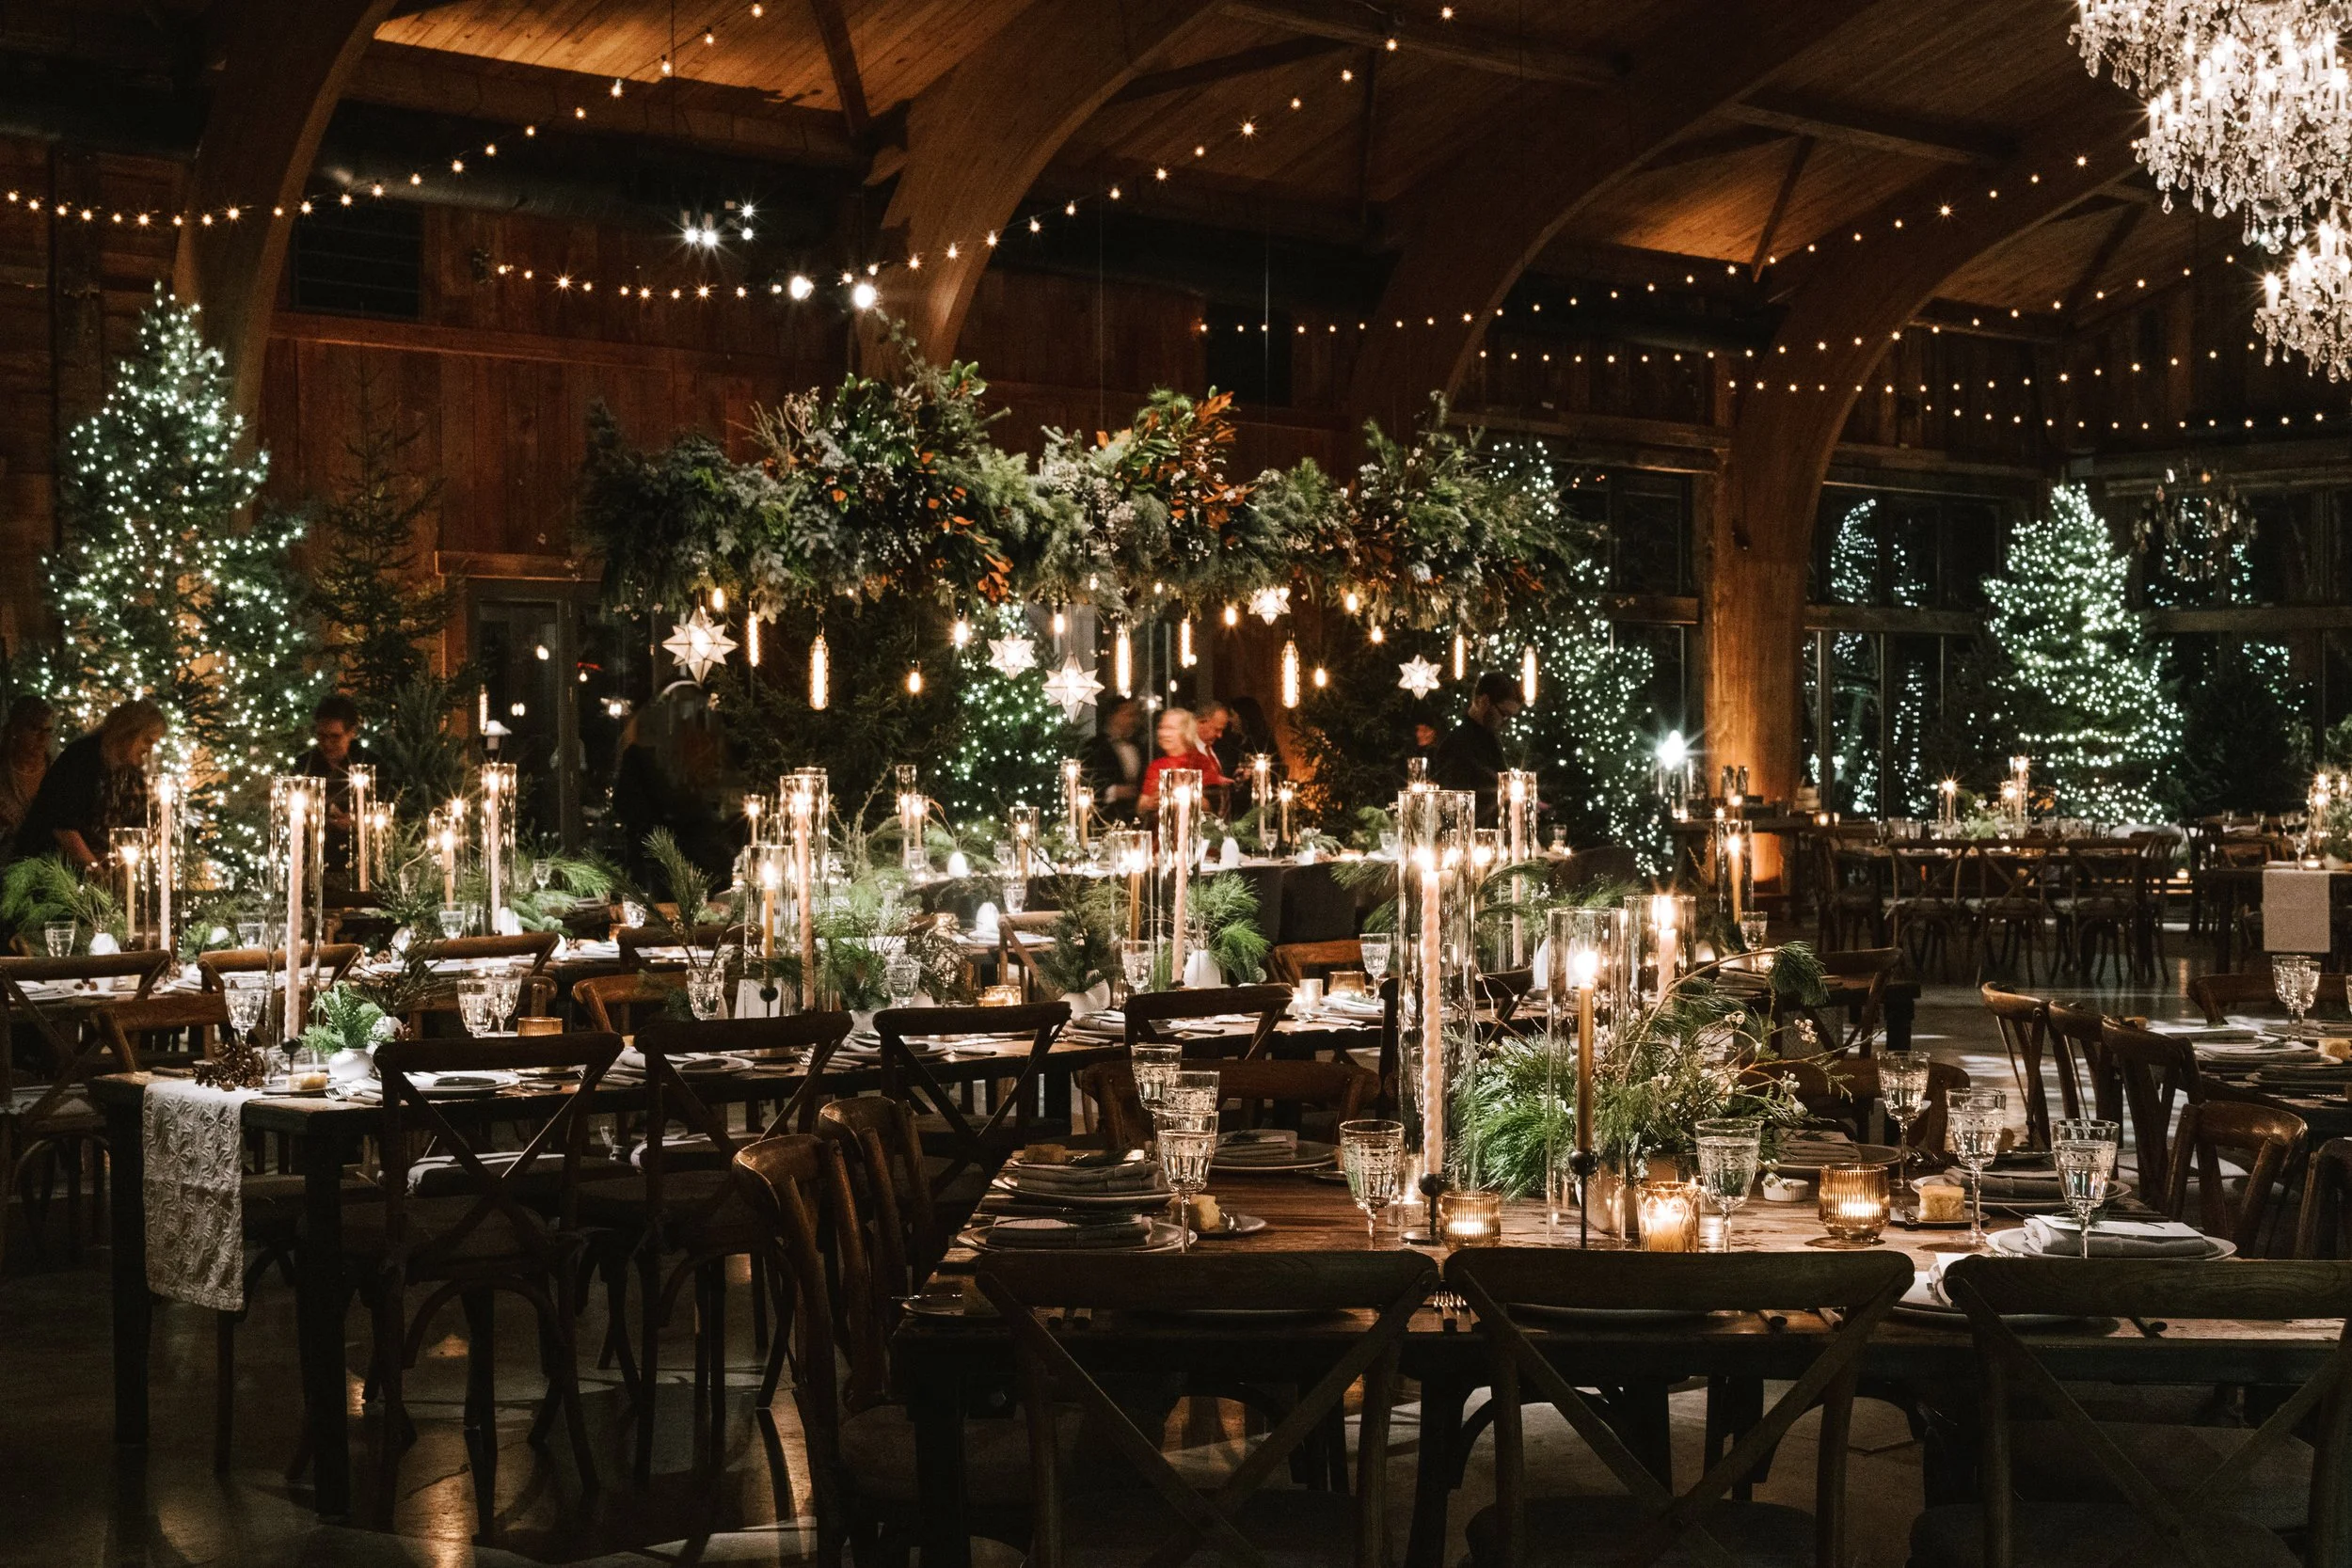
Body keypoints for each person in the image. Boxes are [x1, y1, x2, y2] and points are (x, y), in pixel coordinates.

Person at [15, 698, 166, 871]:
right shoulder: (81, 758)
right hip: (54, 871)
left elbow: (141, 824)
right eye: (147, 740)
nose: (150, 749)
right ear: (128, 733)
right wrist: (96, 873)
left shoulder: (132, 772)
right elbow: (63, 826)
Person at [295, 694, 373, 883]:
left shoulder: (370, 765)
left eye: (335, 737)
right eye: (322, 736)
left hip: (361, 863)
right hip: (313, 863)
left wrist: (358, 823)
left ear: (352, 732)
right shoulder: (304, 765)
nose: (327, 744)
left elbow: (385, 811)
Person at [1429, 672, 1523, 826]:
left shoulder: (1490, 738)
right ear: (1484, 701)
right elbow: (1453, 809)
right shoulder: (1456, 744)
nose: (1506, 723)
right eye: (1504, 714)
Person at [1137, 706, 1230, 816]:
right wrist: (1149, 804)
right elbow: (1140, 808)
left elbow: (1212, 808)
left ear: (1186, 731)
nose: (1163, 734)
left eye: (1170, 728)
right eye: (1161, 728)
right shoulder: (1157, 765)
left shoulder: (1199, 761)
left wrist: (1188, 796)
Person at [0, 696, 56, 848]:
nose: (42, 737)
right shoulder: (4, 771)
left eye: (48, 730)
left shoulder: (57, 772)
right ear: (15, 730)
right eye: (34, 728)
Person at [1083, 697, 1148, 822]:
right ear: (1112, 716)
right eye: (1128, 715)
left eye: (1135, 715)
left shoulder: (1140, 747)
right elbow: (1087, 781)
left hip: (1135, 819)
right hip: (1104, 819)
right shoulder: (1094, 746)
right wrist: (1114, 791)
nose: (1133, 720)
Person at [1198, 700, 1246, 783]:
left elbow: (1219, 781)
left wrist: (1236, 779)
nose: (1220, 736)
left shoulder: (1215, 747)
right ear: (1202, 722)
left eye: (1222, 730)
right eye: (1217, 730)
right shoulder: (1186, 748)